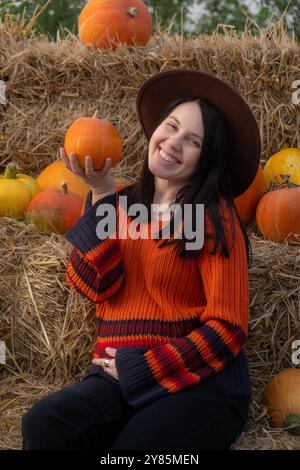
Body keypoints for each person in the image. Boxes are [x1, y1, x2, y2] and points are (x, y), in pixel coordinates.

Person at [22, 69, 261, 450]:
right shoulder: (117, 203)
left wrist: (143, 366)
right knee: (45, 422)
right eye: (171, 126)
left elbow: (227, 329)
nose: (173, 142)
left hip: (198, 383)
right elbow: (94, 284)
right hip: (117, 380)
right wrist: (101, 193)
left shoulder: (215, 220)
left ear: (207, 158)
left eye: (193, 140)